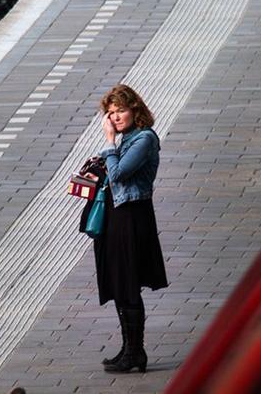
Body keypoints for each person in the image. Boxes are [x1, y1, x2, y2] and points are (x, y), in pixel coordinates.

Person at [92, 84, 168, 373]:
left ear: (135, 110)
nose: (115, 118)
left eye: (120, 111)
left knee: (130, 281)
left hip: (133, 217)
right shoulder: (124, 139)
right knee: (120, 283)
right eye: (111, 113)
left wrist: (109, 144)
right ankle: (128, 348)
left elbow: (120, 173)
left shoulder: (144, 139)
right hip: (116, 216)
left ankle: (137, 352)